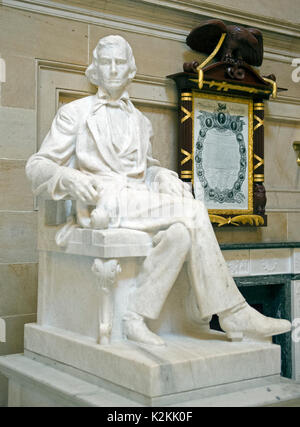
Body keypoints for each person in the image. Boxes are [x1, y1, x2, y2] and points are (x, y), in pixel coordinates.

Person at [26, 35, 291, 346]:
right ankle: (232, 311)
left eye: (120, 63)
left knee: (180, 232)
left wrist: (162, 175)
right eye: (106, 63)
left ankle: (136, 315)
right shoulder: (76, 113)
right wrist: (69, 179)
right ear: (95, 70)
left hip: (136, 201)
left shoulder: (139, 121)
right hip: (104, 203)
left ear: (130, 71)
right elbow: (37, 167)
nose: (113, 69)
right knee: (193, 210)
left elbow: (145, 168)